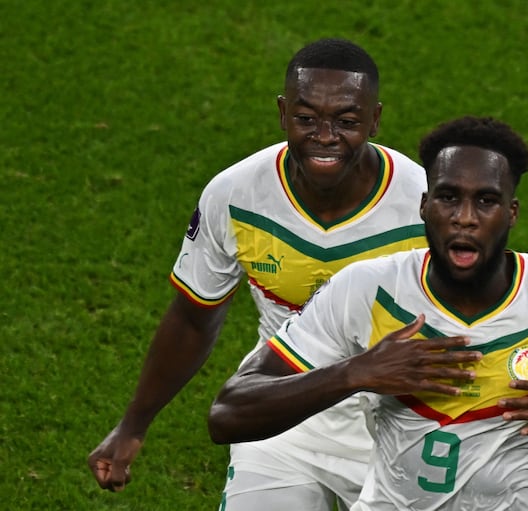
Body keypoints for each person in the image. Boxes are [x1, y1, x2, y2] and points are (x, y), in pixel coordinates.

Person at [208, 116, 528, 510]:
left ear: (511, 213)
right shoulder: (366, 291)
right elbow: (228, 414)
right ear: (424, 205)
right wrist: (354, 374)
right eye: (449, 197)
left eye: (485, 201)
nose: (464, 217)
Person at [87, 38, 430, 510]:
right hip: (282, 406)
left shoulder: (425, 205)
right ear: (283, 113)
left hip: (399, 423)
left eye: (347, 122)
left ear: (374, 120)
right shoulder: (237, 193)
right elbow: (193, 319)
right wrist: (133, 425)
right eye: (306, 118)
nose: (325, 135)